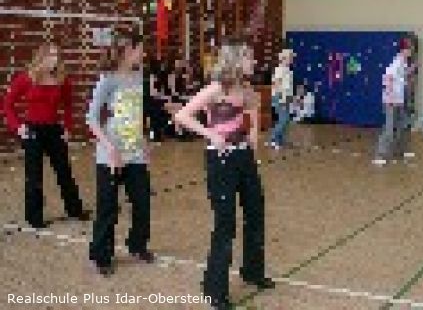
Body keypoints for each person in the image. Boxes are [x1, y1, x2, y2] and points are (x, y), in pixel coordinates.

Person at [171, 37, 274, 310]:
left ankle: (252, 271)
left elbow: (253, 113)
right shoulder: (216, 88)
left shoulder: (246, 89)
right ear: (235, 59)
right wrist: (210, 134)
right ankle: (214, 289)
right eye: (249, 57)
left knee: (255, 213)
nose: (254, 61)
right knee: (225, 223)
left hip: (244, 158)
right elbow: (182, 116)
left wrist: (253, 141)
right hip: (221, 161)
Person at [87, 35, 154, 276]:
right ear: (127, 50)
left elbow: (136, 113)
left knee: (142, 202)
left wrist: (144, 140)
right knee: (107, 208)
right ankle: (100, 256)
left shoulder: (139, 77)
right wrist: (110, 148)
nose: (142, 54)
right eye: (139, 50)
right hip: (111, 154)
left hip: (135, 152)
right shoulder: (107, 80)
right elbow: (91, 119)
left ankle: (137, 245)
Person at [3, 43, 89, 229]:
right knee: (34, 176)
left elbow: (68, 106)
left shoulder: (63, 80)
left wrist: (67, 128)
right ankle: (34, 217)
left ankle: (75, 210)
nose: (54, 60)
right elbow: (7, 104)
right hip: (32, 130)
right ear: (41, 57)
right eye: (50, 55)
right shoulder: (26, 78)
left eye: (57, 55)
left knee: (64, 172)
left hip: (54, 130)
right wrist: (18, 127)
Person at [373, 40, 413, 165]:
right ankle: (380, 155)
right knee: (389, 128)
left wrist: (409, 71)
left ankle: (399, 151)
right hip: (391, 101)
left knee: (402, 125)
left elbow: (400, 78)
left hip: (400, 100)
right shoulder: (396, 62)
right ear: (403, 50)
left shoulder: (404, 63)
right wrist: (391, 98)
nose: (411, 51)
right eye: (409, 49)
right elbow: (387, 78)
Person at [269, 48, 295, 149]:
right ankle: (273, 139)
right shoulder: (279, 69)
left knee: (285, 119)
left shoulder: (288, 70)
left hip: (286, 97)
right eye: (290, 57)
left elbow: (288, 86)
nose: (292, 59)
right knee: (284, 119)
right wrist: (281, 97)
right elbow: (276, 84)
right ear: (284, 58)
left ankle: (280, 140)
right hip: (280, 97)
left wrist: (289, 97)